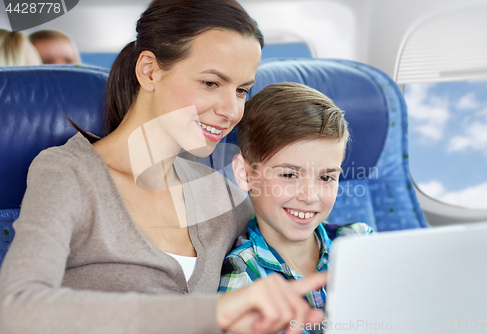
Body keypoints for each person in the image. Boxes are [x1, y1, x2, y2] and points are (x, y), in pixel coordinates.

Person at [0, 1, 327, 334]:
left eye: (242, 90)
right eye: (211, 83)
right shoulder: (68, 173)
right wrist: (214, 312)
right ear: (149, 71)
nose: (231, 111)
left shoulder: (221, 195)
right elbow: (16, 308)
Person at [219, 83, 373, 330]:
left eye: (326, 178)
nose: (310, 196)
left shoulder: (360, 241)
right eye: (289, 175)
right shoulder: (244, 273)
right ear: (245, 174)